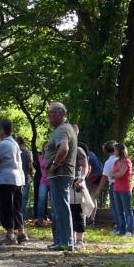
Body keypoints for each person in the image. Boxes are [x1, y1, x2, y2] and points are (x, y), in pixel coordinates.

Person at [43, 102, 78, 251]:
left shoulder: (62, 130)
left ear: (59, 113)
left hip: (60, 173)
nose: (48, 116)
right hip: (62, 174)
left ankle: (66, 242)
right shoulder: (64, 128)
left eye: (50, 113)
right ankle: (61, 241)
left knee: (61, 208)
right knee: (58, 208)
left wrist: (54, 165)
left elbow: (64, 148)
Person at [0, 118, 26, 245]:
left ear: (2, 130)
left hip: (6, 179)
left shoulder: (2, 144)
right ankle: (21, 232)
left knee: (6, 207)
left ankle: (10, 234)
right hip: (18, 179)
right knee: (17, 207)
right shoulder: (14, 143)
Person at [69, 134, 90, 248]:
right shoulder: (62, 149)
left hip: (77, 184)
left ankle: (79, 240)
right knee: (69, 213)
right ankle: (70, 238)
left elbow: (85, 167)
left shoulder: (79, 150)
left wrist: (81, 179)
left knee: (78, 212)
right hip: (67, 184)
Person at [110, 142, 134, 235]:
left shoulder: (127, 161)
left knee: (127, 210)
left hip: (125, 189)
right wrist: (116, 175)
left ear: (120, 150)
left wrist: (115, 175)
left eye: (115, 149)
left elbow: (121, 174)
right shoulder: (116, 161)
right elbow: (113, 174)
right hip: (116, 188)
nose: (114, 151)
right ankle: (121, 229)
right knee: (119, 210)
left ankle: (129, 230)